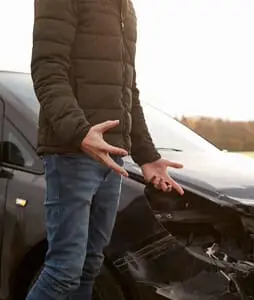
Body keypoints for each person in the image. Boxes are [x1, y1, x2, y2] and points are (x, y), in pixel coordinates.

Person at [26, 0, 185, 299]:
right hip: (73, 154)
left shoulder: (126, 8)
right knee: (64, 271)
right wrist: (79, 132)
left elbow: (128, 90)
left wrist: (147, 156)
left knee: (90, 266)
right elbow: (46, 69)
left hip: (111, 158)